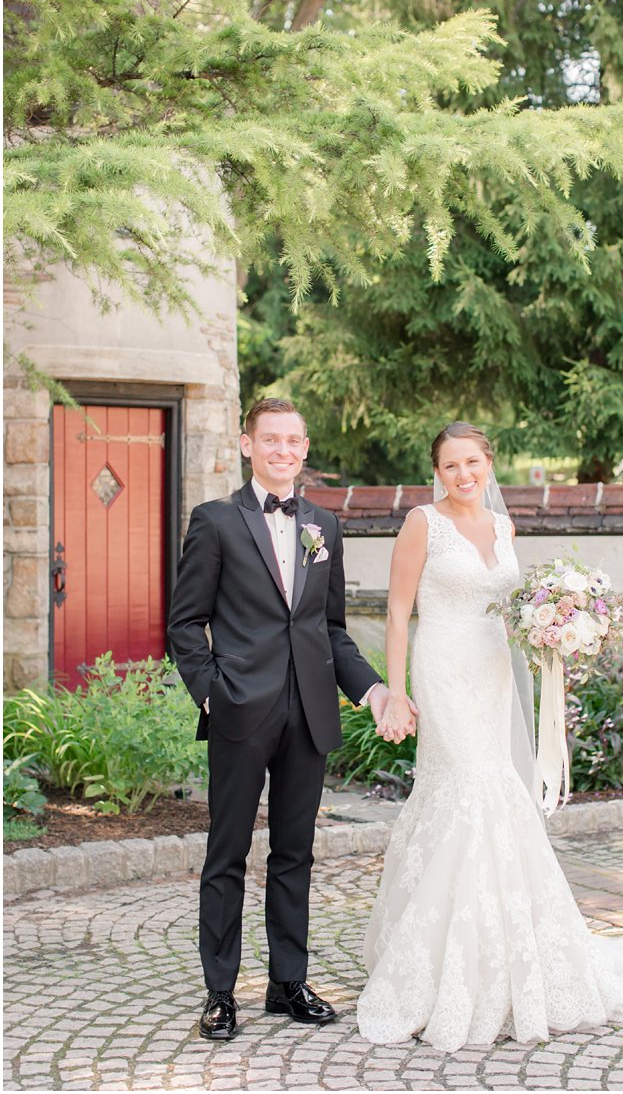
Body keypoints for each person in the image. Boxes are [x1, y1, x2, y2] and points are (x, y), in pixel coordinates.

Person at [355, 421, 623, 1052]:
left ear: (490, 464)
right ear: (438, 471)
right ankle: (444, 964)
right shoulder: (421, 525)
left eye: (473, 463)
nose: (463, 475)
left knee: (491, 791)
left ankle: (507, 951)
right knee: (467, 791)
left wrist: (559, 627)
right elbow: (398, 612)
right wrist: (398, 691)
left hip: (492, 673)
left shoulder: (504, 527)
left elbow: (512, 613)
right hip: (444, 670)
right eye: (451, 465)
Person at [168, 398, 401, 1041]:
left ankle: (286, 982)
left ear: (304, 447)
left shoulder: (324, 523)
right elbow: (185, 624)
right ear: (248, 445)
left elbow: (331, 631)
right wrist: (212, 693)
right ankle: (220, 993)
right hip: (241, 710)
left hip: (310, 715)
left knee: (294, 853)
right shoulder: (215, 521)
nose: (283, 450)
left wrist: (373, 690)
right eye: (270, 439)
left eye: (293, 440)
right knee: (228, 853)